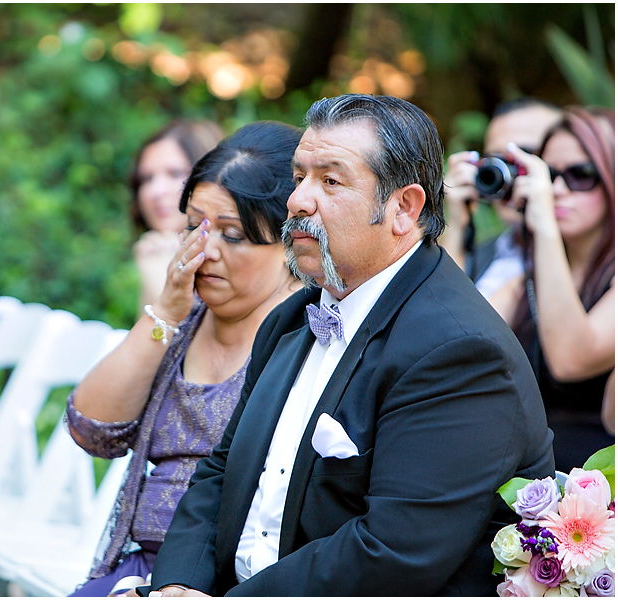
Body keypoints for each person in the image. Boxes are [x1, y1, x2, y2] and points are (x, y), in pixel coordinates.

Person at [144, 94, 554, 597]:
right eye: (299, 178)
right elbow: (221, 471)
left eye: (330, 181)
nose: (297, 202)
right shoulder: (292, 319)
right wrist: (178, 585)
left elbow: (393, 553)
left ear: (403, 208)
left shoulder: (460, 352)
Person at [66, 121, 304, 596]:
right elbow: (92, 429)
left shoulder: (307, 337)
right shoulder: (182, 318)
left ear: (290, 241)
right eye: (194, 225)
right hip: (132, 571)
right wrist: (166, 311)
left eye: (232, 235)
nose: (203, 250)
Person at [498, 107, 615, 472]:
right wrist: (457, 223)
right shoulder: (527, 278)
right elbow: (454, 338)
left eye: (580, 175)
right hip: (524, 490)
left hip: (597, 497)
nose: (559, 190)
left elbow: (570, 359)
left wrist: (544, 224)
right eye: (549, 176)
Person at [439, 98, 561, 313]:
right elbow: (435, 318)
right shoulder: (480, 254)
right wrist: (457, 227)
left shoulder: (589, 265)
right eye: (496, 160)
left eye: (523, 155)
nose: (505, 174)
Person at [130, 120, 225, 310]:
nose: (156, 191)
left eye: (174, 173)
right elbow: (154, 337)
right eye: (146, 178)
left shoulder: (237, 256)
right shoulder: (152, 250)